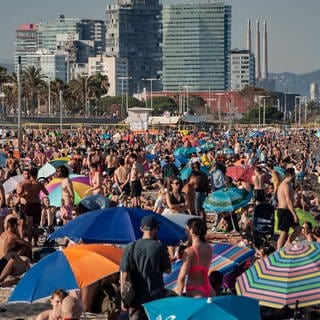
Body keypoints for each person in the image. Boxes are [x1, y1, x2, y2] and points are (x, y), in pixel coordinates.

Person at [120, 215, 171, 320]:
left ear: (141, 229)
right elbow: (168, 270)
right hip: (155, 298)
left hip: (135, 299)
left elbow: (124, 276)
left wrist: (123, 299)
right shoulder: (159, 247)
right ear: (156, 229)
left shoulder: (130, 247)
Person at [177, 218, 212, 297]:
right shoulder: (209, 247)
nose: (186, 232)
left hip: (195, 291)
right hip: (209, 289)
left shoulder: (190, 251)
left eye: (187, 230)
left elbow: (181, 278)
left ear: (192, 231)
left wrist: (179, 298)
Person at [16, 167, 49, 245]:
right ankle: (36, 243)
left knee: (30, 226)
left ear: (30, 174)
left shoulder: (24, 183)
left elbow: (19, 193)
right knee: (36, 226)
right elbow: (47, 193)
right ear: (37, 174)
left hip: (29, 205)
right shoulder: (39, 184)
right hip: (37, 205)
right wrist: (43, 185)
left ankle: (30, 242)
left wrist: (25, 193)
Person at [0, 217, 31, 286]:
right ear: (14, 226)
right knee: (26, 259)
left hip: (2, 262)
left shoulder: (2, 234)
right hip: (7, 265)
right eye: (17, 225)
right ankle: (29, 276)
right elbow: (29, 245)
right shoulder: (13, 236)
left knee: (21, 257)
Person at [277, 168, 301, 249]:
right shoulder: (285, 185)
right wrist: (295, 215)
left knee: (298, 229)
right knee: (284, 233)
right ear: (291, 175)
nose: (295, 175)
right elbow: (288, 201)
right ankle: (278, 251)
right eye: (294, 174)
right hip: (285, 211)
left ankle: (288, 242)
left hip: (288, 211)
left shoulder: (288, 184)